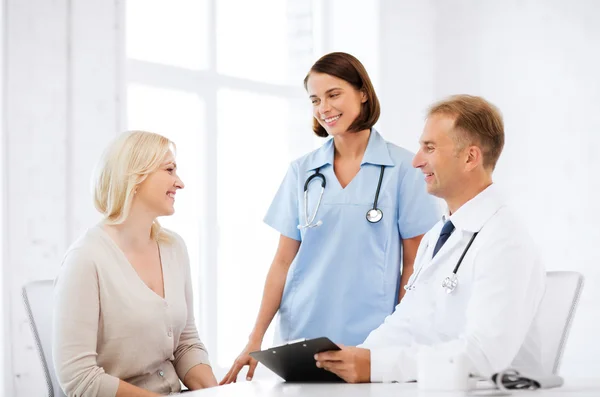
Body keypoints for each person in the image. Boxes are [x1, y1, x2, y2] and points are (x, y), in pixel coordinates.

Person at [220, 52, 440, 384]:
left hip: (370, 342)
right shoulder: (302, 171)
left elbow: (414, 266)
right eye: (315, 99)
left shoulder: (404, 170)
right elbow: (282, 262)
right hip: (301, 338)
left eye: (334, 94)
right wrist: (256, 338)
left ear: (362, 93)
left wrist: (398, 338)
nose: (324, 107)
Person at [314, 95, 546, 383]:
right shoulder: (439, 234)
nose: (416, 160)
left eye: (430, 148)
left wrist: (378, 366)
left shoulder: (506, 240)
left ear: (470, 157)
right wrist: (355, 357)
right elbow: (407, 322)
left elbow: (483, 356)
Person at [52, 131, 217, 397]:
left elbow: (185, 343)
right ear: (135, 177)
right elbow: (78, 379)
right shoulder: (85, 259)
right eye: (170, 169)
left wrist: (215, 393)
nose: (180, 183)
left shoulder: (174, 247)